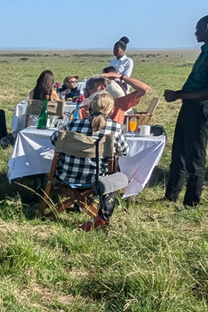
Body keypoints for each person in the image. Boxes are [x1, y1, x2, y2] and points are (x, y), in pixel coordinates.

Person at [164, 14, 208, 208]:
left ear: (207, 27)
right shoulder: (207, 50)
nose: (195, 33)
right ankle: (170, 197)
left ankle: (191, 204)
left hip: (201, 108)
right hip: (189, 107)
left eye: (198, 28)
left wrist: (178, 95)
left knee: (195, 159)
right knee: (178, 155)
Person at [52, 92, 130, 231]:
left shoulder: (73, 124)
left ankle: (74, 202)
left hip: (66, 176)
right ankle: (98, 211)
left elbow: (53, 140)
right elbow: (124, 151)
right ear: (111, 111)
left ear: (89, 108)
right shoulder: (115, 129)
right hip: (98, 181)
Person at [82, 72, 151, 121]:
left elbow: (145, 89)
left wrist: (121, 76)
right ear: (90, 91)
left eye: (105, 86)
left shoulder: (118, 103)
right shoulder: (83, 110)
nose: (104, 89)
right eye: (100, 87)